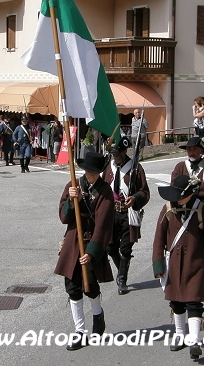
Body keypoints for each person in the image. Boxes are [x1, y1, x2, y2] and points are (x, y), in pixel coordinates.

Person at [152, 175, 204, 359]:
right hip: (173, 265)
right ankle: (179, 335)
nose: (175, 198)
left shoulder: (202, 210)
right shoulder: (168, 209)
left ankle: (194, 341)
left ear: (189, 194)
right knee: (176, 302)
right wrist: (158, 263)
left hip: (196, 263)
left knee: (194, 302)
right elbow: (158, 239)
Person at [54, 152, 114, 351]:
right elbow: (64, 217)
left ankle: (98, 314)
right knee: (72, 286)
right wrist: (72, 201)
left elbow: (104, 225)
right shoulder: (73, 185)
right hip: (73, 241)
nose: (91, 175)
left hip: (91, 242)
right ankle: (80, 331)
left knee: (90, 285)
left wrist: (93, 250)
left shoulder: (105, 191)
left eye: (95, 172)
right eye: (88, 171)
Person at [101, 136, 150, 295]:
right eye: (113, 154)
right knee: (111, 247)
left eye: (117, 153)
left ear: (124, 151)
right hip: (112, 213)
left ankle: (122, 279)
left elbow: (145, 192)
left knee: (126, 249)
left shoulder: (135, 168)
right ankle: (122, 269)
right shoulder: (109, 167)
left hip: (129, 213)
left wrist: (135, 198)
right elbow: (103, 187)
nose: (115, 156)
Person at [171, 136, 204, 210]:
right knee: (167, 210)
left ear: (201, 150)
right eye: (189, 149)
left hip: (203, 204)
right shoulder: (180, 166)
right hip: (182, 203)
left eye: (195, 149)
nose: (192, 152)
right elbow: (174, 185)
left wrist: (194, 189)